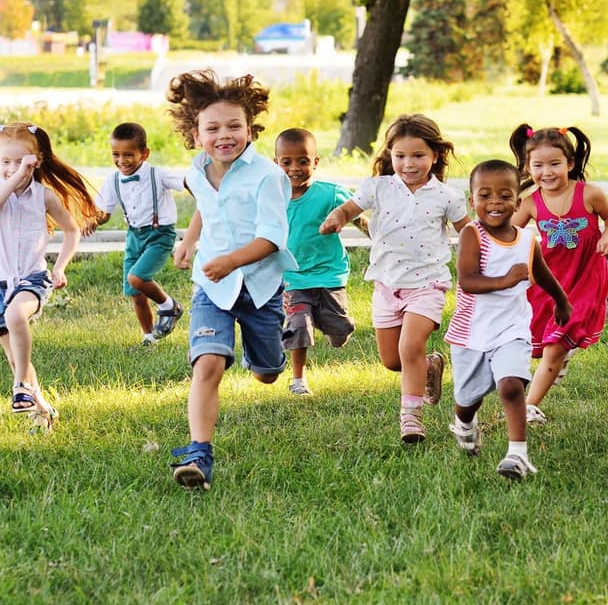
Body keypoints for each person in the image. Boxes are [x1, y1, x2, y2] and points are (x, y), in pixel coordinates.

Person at [167, 70, 298, 490]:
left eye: (234, 126)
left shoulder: (268, 176)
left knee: (267, 373)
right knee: (207, 364)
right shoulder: (198, 168)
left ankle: (266, 356)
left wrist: (230, 261)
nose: (224, 135)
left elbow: (272, 239)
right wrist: (190, 240)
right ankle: (199, 453)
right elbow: (208, 204)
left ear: (250, 128)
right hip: (212, 286)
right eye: (213, 128)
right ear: (195, 133)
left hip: (259, 286)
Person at [320, 113, 469, 443]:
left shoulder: (446, 196)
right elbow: (349, 208)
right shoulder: (379, 187)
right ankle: (428, 366)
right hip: (387, 285)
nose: (409, 164)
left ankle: (411, 419)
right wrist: (336, 218)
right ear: (390, 155)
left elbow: (470, 233)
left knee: (409, 345)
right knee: (392, 360)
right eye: (400, 156)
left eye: (418, 156)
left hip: (428, 285)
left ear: (434, 156)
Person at [446, 160, 571, 479]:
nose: (495, 203)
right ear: (472, 201)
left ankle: (517, 455)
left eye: (504, 196)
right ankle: (464, 422)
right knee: (467, 398)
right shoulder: (473, 235)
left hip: (512, 329)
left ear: (518, 201)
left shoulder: (527, 239)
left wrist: (561, 301)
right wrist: (504, 280)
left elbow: (541, 273)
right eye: (485, 196)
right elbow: (468, 281)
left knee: (511, 386)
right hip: (471, 333)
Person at [509, 124, 608, 425]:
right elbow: (509, 233)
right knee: (539, 340)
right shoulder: (531, 202)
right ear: (528, 167)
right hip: (548, 280)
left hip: (585, 278)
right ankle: (558, 357)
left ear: (570, 163)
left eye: (555, 164)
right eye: (538, 165)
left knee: (555, 344)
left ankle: (528, 406)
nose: (547, 172)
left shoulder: (589, 194)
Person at [0, 122, 100, 431]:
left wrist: (60, 266)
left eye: (20, 161)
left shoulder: (44, 195)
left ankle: (21, 388)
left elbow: (71, 231)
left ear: (37, 161)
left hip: (33, 277)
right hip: (2, 281)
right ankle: (42, 410)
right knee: (16, 355)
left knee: (17, 316)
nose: (11, 168)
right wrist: (16, 175)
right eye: (5, 161)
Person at [275, 127, 364, 396]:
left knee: (340, 331)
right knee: (298, 325)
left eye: (303, 161)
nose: (295, 168)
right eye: (286, 162)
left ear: (315, 162)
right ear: (275, 163)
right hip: (294, 278)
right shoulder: (270, 199)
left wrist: (380, 237)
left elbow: (359, 217)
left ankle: (332, 327)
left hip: (329, 274)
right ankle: (298, 380)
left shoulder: (330, 193)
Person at [90, 123, 185, 345]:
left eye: (128, 155)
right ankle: (149, 337)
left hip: (159, 235)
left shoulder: (157, 174)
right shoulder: (113, 180)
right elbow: (103, 212)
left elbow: (185, 182)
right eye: (116, 154)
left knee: (137, 277)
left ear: (144, 153)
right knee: (135, 292)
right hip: (134, 236)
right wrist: (93, 221)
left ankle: (169, 306)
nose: (121, 160)